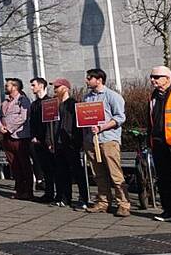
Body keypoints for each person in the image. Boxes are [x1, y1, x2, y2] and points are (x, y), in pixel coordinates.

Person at [83, 69, 129, 217]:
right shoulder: (87, 98)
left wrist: (102, 127)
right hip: (91, 140)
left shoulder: (112, 96)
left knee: (115, 173)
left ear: (99, 79)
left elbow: (120, 117)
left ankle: (123, 204)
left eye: (89, 78)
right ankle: (103, 202)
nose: (86, 80)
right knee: (98, 174)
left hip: (108, 139)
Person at [50, 78, 89, 210]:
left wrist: (76, 141)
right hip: (59, 143)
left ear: (65, 88)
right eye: (54, 87)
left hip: (70, 143)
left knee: (77, 172)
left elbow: (78, 125)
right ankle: (65, 197)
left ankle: (84, 198)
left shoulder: (73, 104)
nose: (55, 89)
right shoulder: (56, 105)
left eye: (57, 87)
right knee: (62, 171)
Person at [0, 78, 33, 200]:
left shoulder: (23, 100)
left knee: (24, 164)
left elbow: (23, 117)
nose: (5, 87)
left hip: (19, 137)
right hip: (7, 137)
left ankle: (28, 191)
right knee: (14, 165)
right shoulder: (5, 102)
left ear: (15, 87)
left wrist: (9, 128)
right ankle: (19, 190)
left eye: (7, 86)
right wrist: (1, 127)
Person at [149, 66, 171, 222]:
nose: (153, 79)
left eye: (156, 77)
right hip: (159, 143)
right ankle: (169, 209)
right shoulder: (154, 96)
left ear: (167, 78)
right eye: (151, 76)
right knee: (164, 178)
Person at [28, 77, 55, 203]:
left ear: (41, 85)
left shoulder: (50, 102)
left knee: (52, 167)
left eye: (34, 85)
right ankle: (48, 193)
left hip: (48, 139)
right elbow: (32, 122)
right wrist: (33, 136)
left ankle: (55, 192)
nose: (32, 88)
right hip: (37, 140)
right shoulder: (34, 104)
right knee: (43, 167)